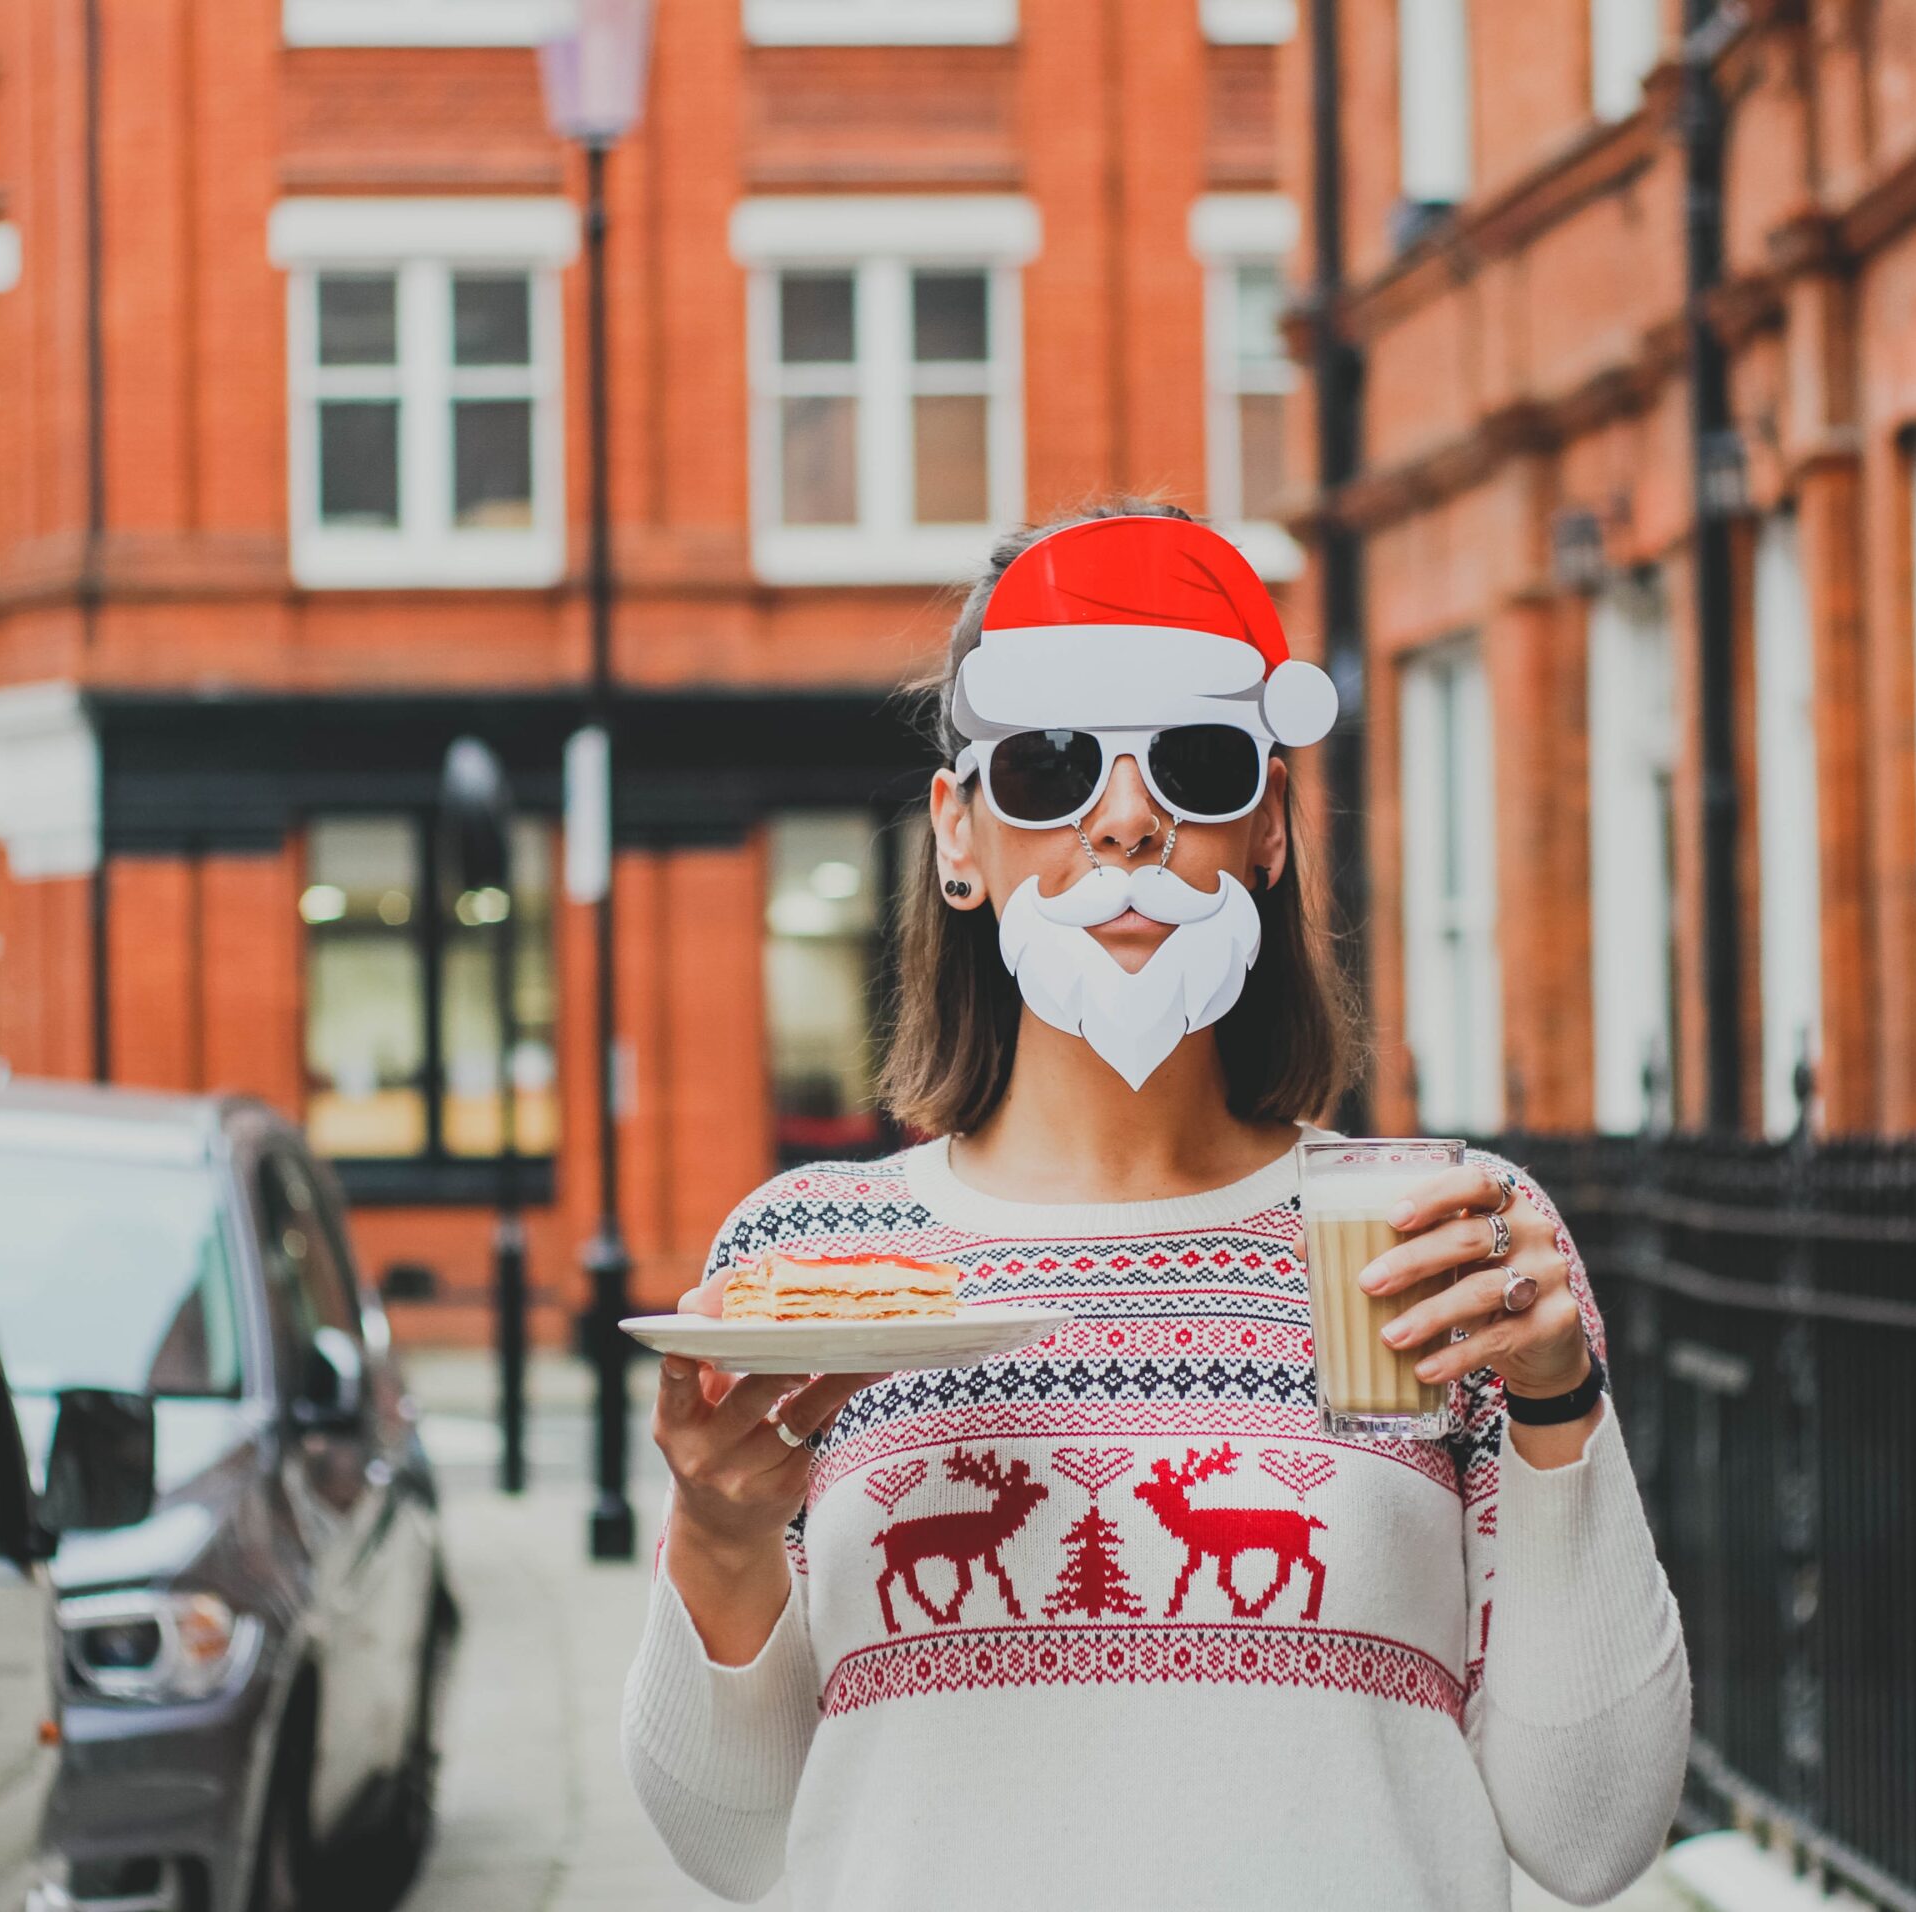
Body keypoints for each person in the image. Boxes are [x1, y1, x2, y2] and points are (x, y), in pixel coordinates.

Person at [623, 502, 1689, 1910]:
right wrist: (715, 1529)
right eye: (1053, 771)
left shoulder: (1439, 1241)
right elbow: (735, 1839)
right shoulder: (818, 1262)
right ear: (959, 836)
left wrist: (1558, 1405)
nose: (1128, 820)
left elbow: (1593, 1829)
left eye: (1194, 764)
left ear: (1267, 833)